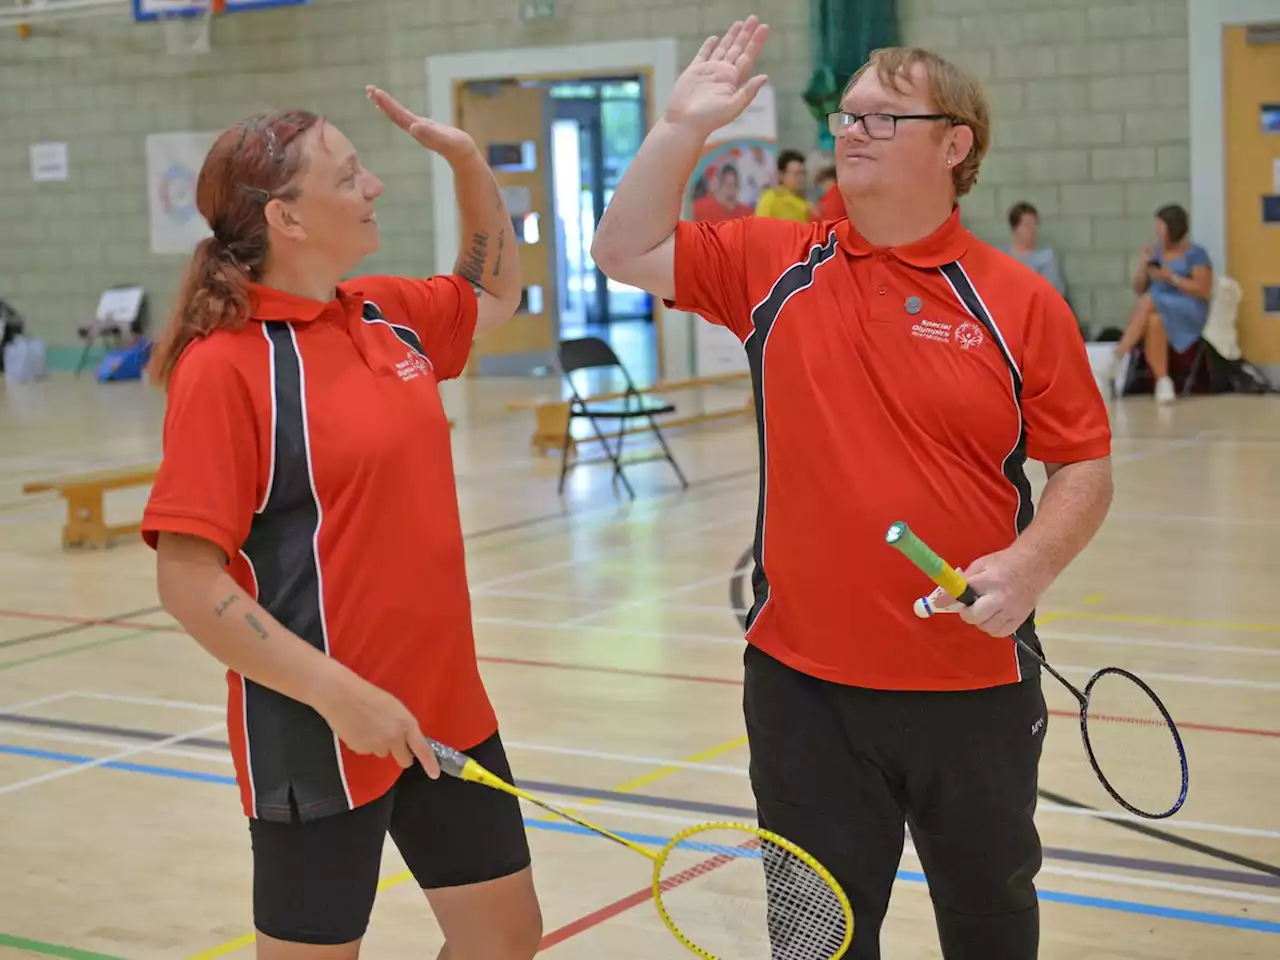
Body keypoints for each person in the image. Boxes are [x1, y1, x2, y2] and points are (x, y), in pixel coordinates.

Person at [592, 19, 1113, 960]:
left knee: (990, 923)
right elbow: (623, 251)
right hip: (802, 690)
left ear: (955, 145)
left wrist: (1031, 566)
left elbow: (1083, 463)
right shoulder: (774, 264)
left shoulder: (1018, 301)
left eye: (882, 114)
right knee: (813, 943)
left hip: (972, 683)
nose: (852, 129)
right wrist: (679, 130)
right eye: (847, 115)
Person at [141, 89, 542, 959]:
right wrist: (337, 694)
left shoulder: (383, 312)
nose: (374, 188)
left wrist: (470, 164)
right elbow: (187, 578)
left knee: (504, 940)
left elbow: (493, 291)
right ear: (285, 216)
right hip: (318, 726)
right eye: (350, 174)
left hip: (445, 706)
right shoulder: (226, 370)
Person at [1111, 203, 1213, 403]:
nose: (1157, 230)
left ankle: (1118, 356)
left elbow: (1203, 289)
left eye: (1160, 226)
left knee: (1151, 299)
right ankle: (1163, 382)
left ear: (1173, 227)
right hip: (1156, 308)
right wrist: (1143, 264)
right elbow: (1139, 288)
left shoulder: (1196, 253)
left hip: (1187, 308)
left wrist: (1171, 278)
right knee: (1155, 320)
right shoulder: (1155, 252)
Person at [1005, 200, 1066, 299]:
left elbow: (1054, 294)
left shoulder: (1046, 258)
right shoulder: (1001, 256)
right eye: (1027, 225)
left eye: (1035, 224)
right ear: (1015, 228)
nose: (1033, 230)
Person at [754, 148, 813, 222]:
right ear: (782, 174)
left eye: (803, 173)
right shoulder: (770, 198)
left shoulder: (805, 204)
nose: (801, 177)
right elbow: (760, 226)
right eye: (797, 173)